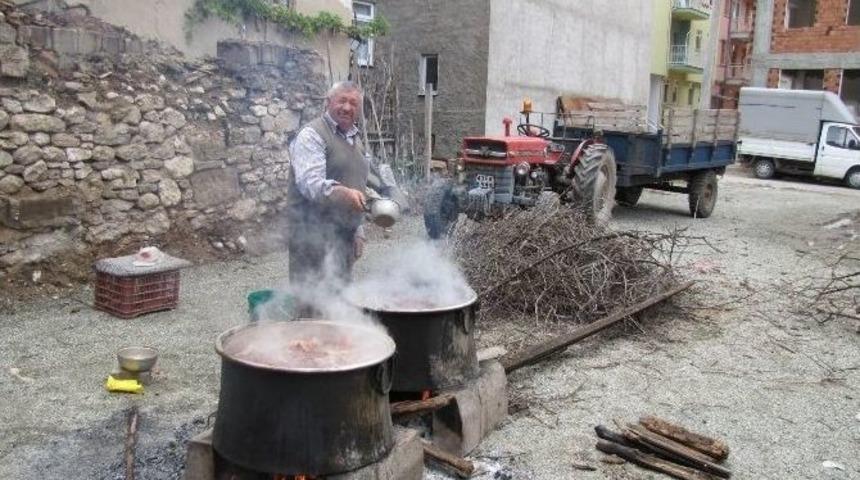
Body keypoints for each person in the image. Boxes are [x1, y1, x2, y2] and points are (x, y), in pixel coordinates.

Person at [286, 81, 368, 290]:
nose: (347, 107)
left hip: (343, 239)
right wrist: (343, 193)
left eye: (353, 103)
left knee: (341, 304)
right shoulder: (312, 135)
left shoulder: (355, 139)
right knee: (312, 309)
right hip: (312, 240)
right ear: (328, 102)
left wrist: (358, 230)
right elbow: (310, 184)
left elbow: (358, 185)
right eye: (342, 100)